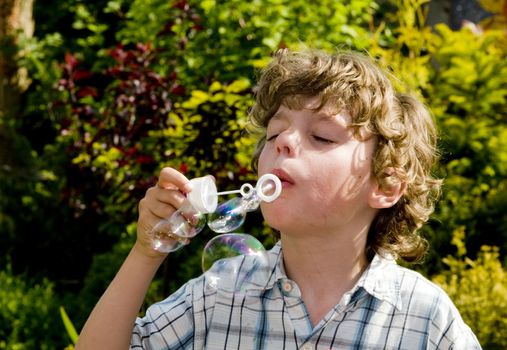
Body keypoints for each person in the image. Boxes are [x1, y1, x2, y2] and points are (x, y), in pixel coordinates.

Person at [75, 48, 481, 349]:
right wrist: (147, 251)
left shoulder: (425, 319)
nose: (284, 142)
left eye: (321, 136)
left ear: (386, 186)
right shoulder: (219, 296)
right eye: (273, 135)